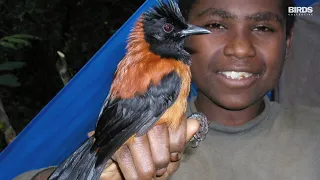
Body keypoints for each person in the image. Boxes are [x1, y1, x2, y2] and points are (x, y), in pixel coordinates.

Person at [14, 0, 320, 179]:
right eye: (216, 25)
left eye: (263, 27)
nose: (240, 48)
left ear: (289, 41)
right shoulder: (164, 69)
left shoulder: (312, 130)